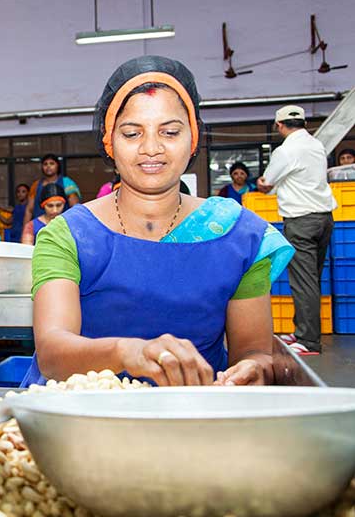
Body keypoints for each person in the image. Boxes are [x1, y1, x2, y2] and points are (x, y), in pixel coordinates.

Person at [24, 55, 294, 388]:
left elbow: (253, 351)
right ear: (110, 141)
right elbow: (51, 353)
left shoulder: (237, 236)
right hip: (84, 419)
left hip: (193, 418)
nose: (151, 148)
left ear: (193, 137)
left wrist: (255, 368)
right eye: (132, 133)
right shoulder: (70, 235)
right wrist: (128, 353)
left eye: (169, 131)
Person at [257, 105, 336, 355]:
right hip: (324, 219)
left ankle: (309, 341)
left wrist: (262, 184)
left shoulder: (286, 150)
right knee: (312, 279)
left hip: (301, 221)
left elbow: (266, 184)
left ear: (279, 125)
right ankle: (303, 331)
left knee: (304, 282)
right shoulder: (316, 145)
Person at [24, 154, 81, 227]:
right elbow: (29, 210)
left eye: (52, 163)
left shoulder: (67, 183)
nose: (48, 166)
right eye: (45, 164)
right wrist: (26, 230)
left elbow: (75, 208)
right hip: (40, 227)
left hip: (62, 227)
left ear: (57, 166)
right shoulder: (36, 185)